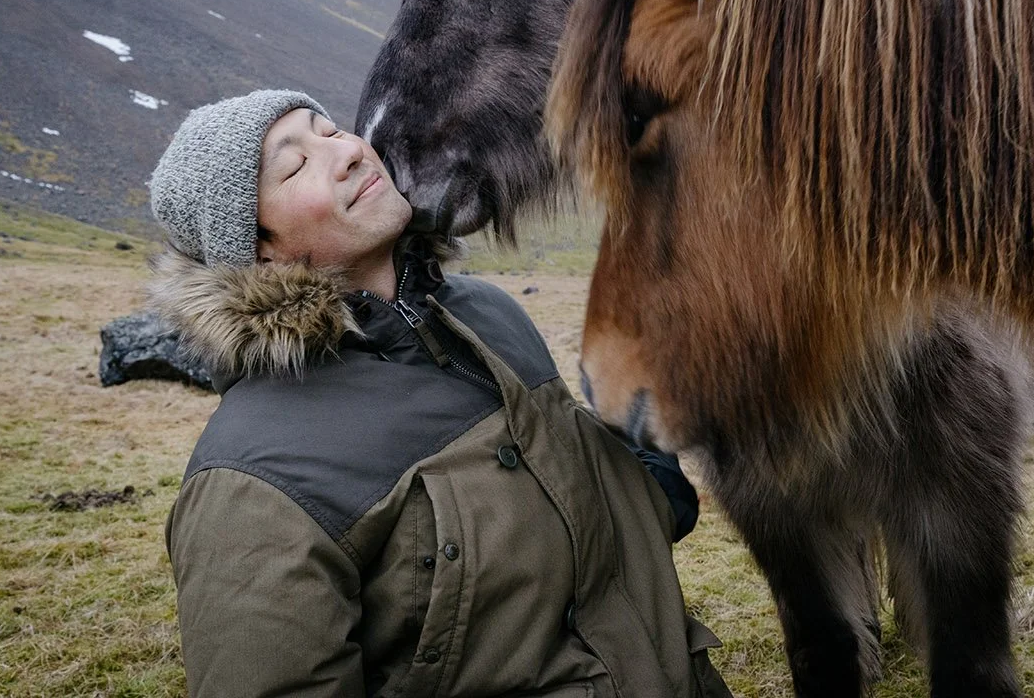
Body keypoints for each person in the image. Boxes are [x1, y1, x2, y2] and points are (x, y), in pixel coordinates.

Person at [146, 89, 729, 698]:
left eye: (330, 130)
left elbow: (581, 517)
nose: (345, 152)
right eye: (294, 165)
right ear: (257, 254)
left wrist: (652, 452)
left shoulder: (487, 314)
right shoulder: (252, 477)